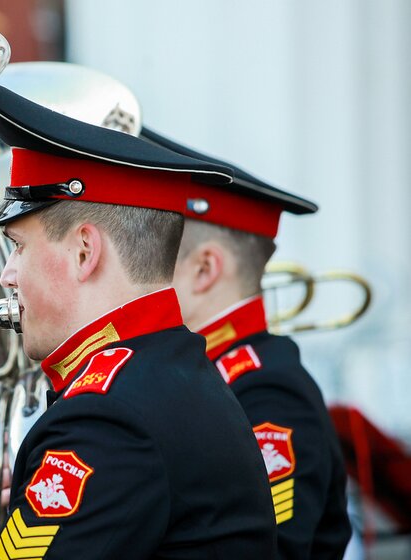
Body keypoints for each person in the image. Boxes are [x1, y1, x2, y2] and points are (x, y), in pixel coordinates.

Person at [0, 85, 277, 559]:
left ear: (84, 251)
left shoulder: (109, 418)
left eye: (18, 246)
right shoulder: (163, 374)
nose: (7, 274)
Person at [141, 126, 352, 558]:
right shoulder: (209, 376)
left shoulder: (267, 392)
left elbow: (270, 548)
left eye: (155, 260)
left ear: (205, 269)